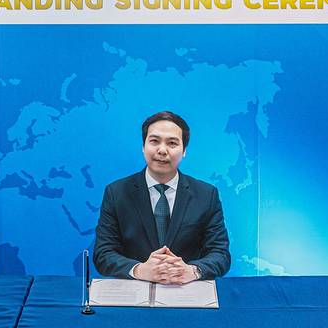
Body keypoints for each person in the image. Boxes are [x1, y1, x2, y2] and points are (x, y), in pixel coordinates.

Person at [94, 111, 230, 282]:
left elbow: (220, 254)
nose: (162, 150)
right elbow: (103, 254)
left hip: (186, 289)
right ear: (143, 146)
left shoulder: (206, 195)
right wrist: (139, 270)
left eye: (172, 143)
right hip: (135, 290)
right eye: (154, 141)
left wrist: (192, 271)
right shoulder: (116, 193)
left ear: (184, 151)